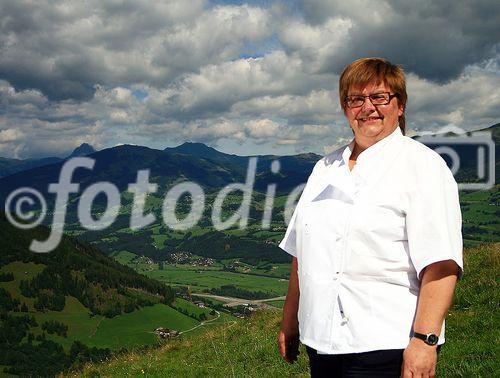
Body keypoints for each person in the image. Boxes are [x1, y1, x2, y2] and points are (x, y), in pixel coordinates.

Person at [277, 57, 463, 378]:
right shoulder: (324, 168)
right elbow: (302, 252)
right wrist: (290, 320)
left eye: (379, 97)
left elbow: (441, 264)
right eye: (355, 99)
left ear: (400, 105)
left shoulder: (423, 166)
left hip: (386, 343)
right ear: (345, 107)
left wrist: (424, 341)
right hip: (322, 341)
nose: (367, 108)